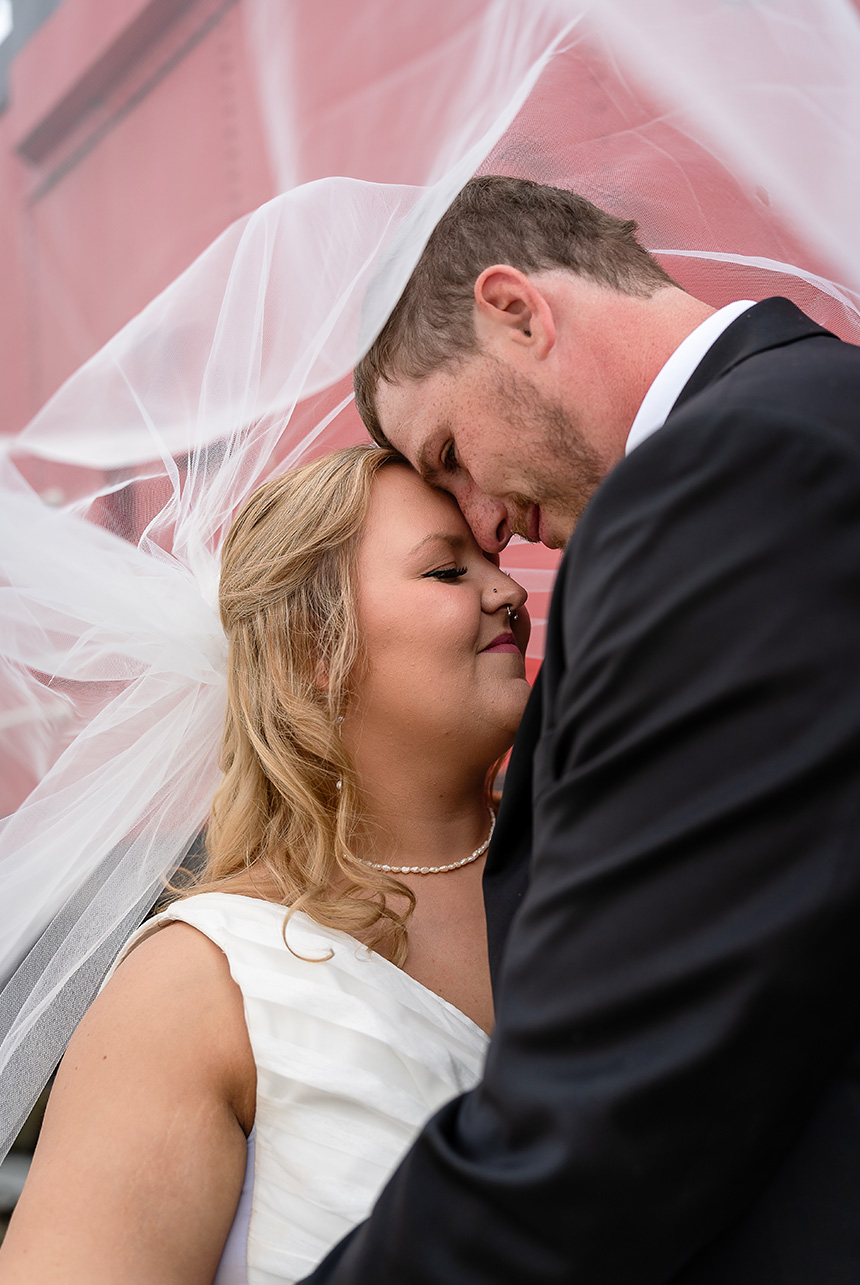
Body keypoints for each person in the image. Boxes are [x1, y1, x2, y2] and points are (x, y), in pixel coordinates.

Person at [299, 175, 860, 1282]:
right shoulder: (810, 412)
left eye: (450, 453)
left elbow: (627, 1088)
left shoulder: (726, 476)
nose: (487, 530)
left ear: (516, 311)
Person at [0, 442, 531, 1284]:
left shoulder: (603, 875)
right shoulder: (201, 985)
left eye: (494, 563)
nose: (509, 591)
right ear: (317, 649)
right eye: (446, 573)